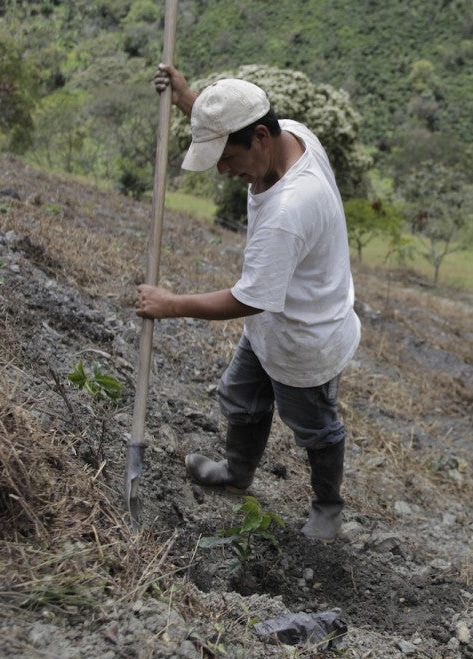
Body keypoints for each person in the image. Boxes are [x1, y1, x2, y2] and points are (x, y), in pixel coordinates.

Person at [135, 64, 361, 541]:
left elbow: (249, 298)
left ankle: (328, 507)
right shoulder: (290, 133)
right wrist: (187, 100)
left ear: (260, 138)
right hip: (274, 324)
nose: (222, 170)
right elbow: (237, 125)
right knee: (239, 395)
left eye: (227, 156)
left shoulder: (288, 210)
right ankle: (237, 474)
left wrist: (171, 304)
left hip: (306, 335)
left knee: (314, 426)